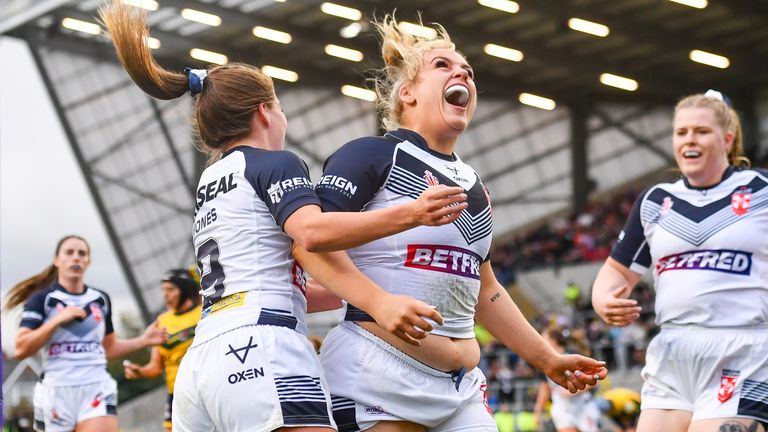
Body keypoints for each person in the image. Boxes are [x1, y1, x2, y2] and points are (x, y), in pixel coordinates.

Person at [99, 2, 469, 430]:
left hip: (202, 361)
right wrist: (413, 213)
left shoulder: (211, 180)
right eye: (279, 106)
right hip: (262, 345)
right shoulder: (273, 163)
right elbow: (311, 232)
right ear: (264, 112)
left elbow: (269, 274)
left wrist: (364, 288)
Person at [314, 15, 608, 431]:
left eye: (468, 71)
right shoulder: (371, 154)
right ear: (408, 93)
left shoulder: (474, 184)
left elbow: (486, 289)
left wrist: (547, 358)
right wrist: (379, 303)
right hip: (376, 373)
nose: (462, 74)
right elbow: (310, 243)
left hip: (461, 389)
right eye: (443, 66)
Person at [591, 90, 768, 432]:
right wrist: (603, 300)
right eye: (681, 131)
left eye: (701, 131)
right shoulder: (656, 200)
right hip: (672, 352)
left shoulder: (760, 191)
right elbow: (614, 273)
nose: (690, 139)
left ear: (727, 139)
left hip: (742, 351)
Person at [4, 235, 167, 432]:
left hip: (95, 388)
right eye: (69, 253)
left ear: (88, 261)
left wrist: (143, 340)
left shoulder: (100, 299)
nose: (76, 258)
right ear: (57, 260)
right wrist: (57, 320)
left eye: (82, 254)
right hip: (56, 392)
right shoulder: (43, 299)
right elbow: (21, 348)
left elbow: (109, 348)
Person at [122, 268, 202, 431]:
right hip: (178, 394)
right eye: (163, 290)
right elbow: (155, 367)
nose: (165, 295)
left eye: (171, 289)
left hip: (205, 387)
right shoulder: (161, 322)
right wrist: (140, 371)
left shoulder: (204, 313)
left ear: (185, 289)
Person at [534, 327, 601, 432]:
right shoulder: (544, 363)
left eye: (544, 338)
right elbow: (545, 388)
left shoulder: (573, 356)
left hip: (582, 405)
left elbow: (592, 381)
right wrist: (537, 411)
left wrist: (575, 391)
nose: (541, 341)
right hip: (562, 406)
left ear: (554, 340)